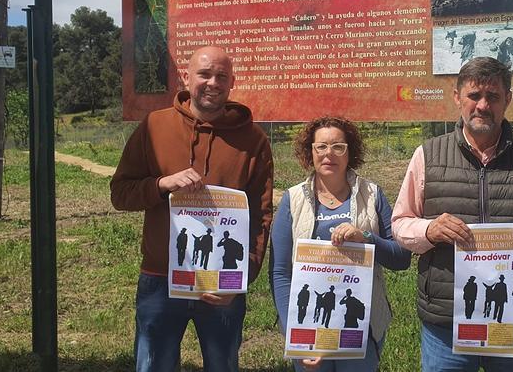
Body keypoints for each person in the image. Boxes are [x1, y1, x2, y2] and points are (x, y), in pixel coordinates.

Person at [392, 57, 513, 371]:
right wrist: (428, 230)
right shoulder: (427, 155)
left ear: (508, 100)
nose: (482, 105)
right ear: (457, 98)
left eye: (492, 96)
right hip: (445, 326)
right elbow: (400, 223)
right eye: (474, 95)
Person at [110, 46, 273, 372]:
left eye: (221, 77)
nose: (213, 82)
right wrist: (161, 184)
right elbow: (120, 194)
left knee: (222, 364)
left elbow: (261, 214)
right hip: (161, 278)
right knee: (154, 364)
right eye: (204, 74)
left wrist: (240, 279)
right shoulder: (155, 127)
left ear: (232, 83)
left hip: (220, 284)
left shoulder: (253, 140)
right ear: (186, 77)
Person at [270, 115, 411, 372]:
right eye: (321, 147)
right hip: (309, 326)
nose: (329, 154)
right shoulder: (292, 199)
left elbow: (401, 258)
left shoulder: (373, 195)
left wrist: (366, 238)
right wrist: (296, 334)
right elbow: (280, 273)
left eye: (338, 146)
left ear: (350, 152)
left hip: (361, 325)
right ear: (309, 152)